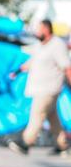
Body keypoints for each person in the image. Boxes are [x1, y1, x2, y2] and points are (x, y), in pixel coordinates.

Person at [8, 19, 71, 157]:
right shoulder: (40, 45)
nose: (37, 32)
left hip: (49, 88)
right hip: (38, 87)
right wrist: (17, 71)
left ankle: (25, 142)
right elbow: (32, 61)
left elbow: (66, 67)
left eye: (39, 29)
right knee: (52, 118)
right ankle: (63, 146)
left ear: (47, 29)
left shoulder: (57, 45)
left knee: (37, 114)